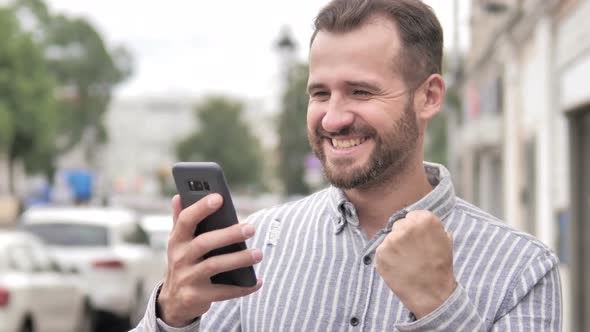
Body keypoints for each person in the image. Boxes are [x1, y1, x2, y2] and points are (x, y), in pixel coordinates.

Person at [134, 0, 562, 331]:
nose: (333, 118)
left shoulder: (521, 269)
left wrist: (441, 307)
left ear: (429, 97)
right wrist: (172, 313)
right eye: (320, 93)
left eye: (360, 91)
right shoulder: (259, 245)